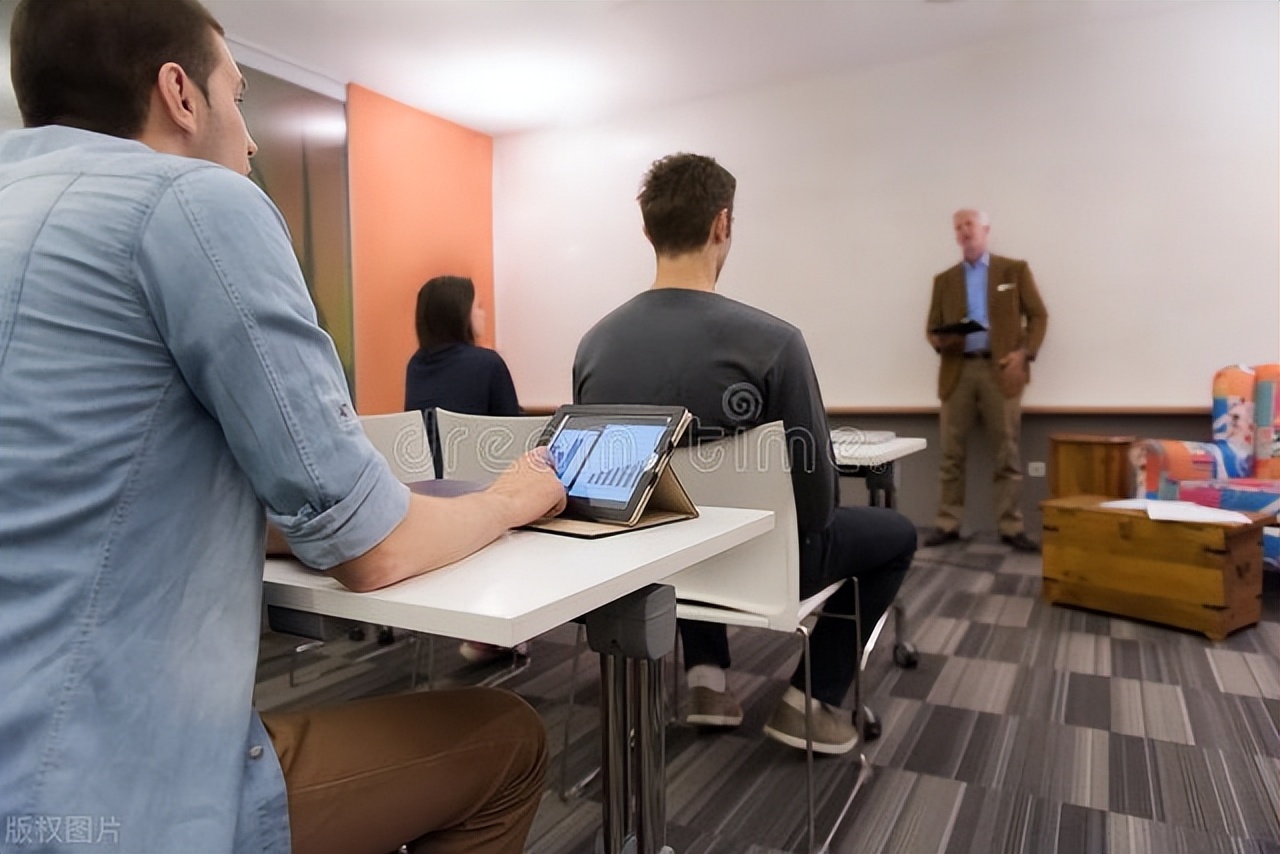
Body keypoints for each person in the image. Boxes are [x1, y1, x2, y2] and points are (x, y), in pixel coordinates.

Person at [0, 3, 565, 853]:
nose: (253, 139)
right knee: (508, 743)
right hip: (98, 793)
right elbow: (375, 551)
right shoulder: (194, 203)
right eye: (239, 94)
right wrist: (514, 498)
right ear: (180, 95)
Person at [573, 153, 916, 755]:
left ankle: (706, 680)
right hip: (762, 568)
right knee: (895, 533)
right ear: (722, 225)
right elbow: (816, 510)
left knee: (688, 519)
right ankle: (811, 701)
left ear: (648, 229)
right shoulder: (774, 342)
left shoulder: (594, 344)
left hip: (643, 569)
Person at [405, 274, 525, 661]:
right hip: (480, 500)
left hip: (425, 499)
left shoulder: (414, 366)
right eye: (477, 305)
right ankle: (501, 624)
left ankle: (483, 626)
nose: (483, 312)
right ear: (459, 314)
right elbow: (514, 435)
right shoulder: (487, 363)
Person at [923, 209, 1049, 552]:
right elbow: (931, 329)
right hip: (958, 371)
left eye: (970, 225)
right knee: (951, 454)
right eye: (958, 227)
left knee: (1006, 453)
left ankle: (1011, 526)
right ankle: (947, 524)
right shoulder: (944, 280)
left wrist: (1024, 355)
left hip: (1002, 371)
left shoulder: (1014, 270)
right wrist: (943, 339)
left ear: (985, 230)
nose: (964, 231)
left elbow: (1038, 316)